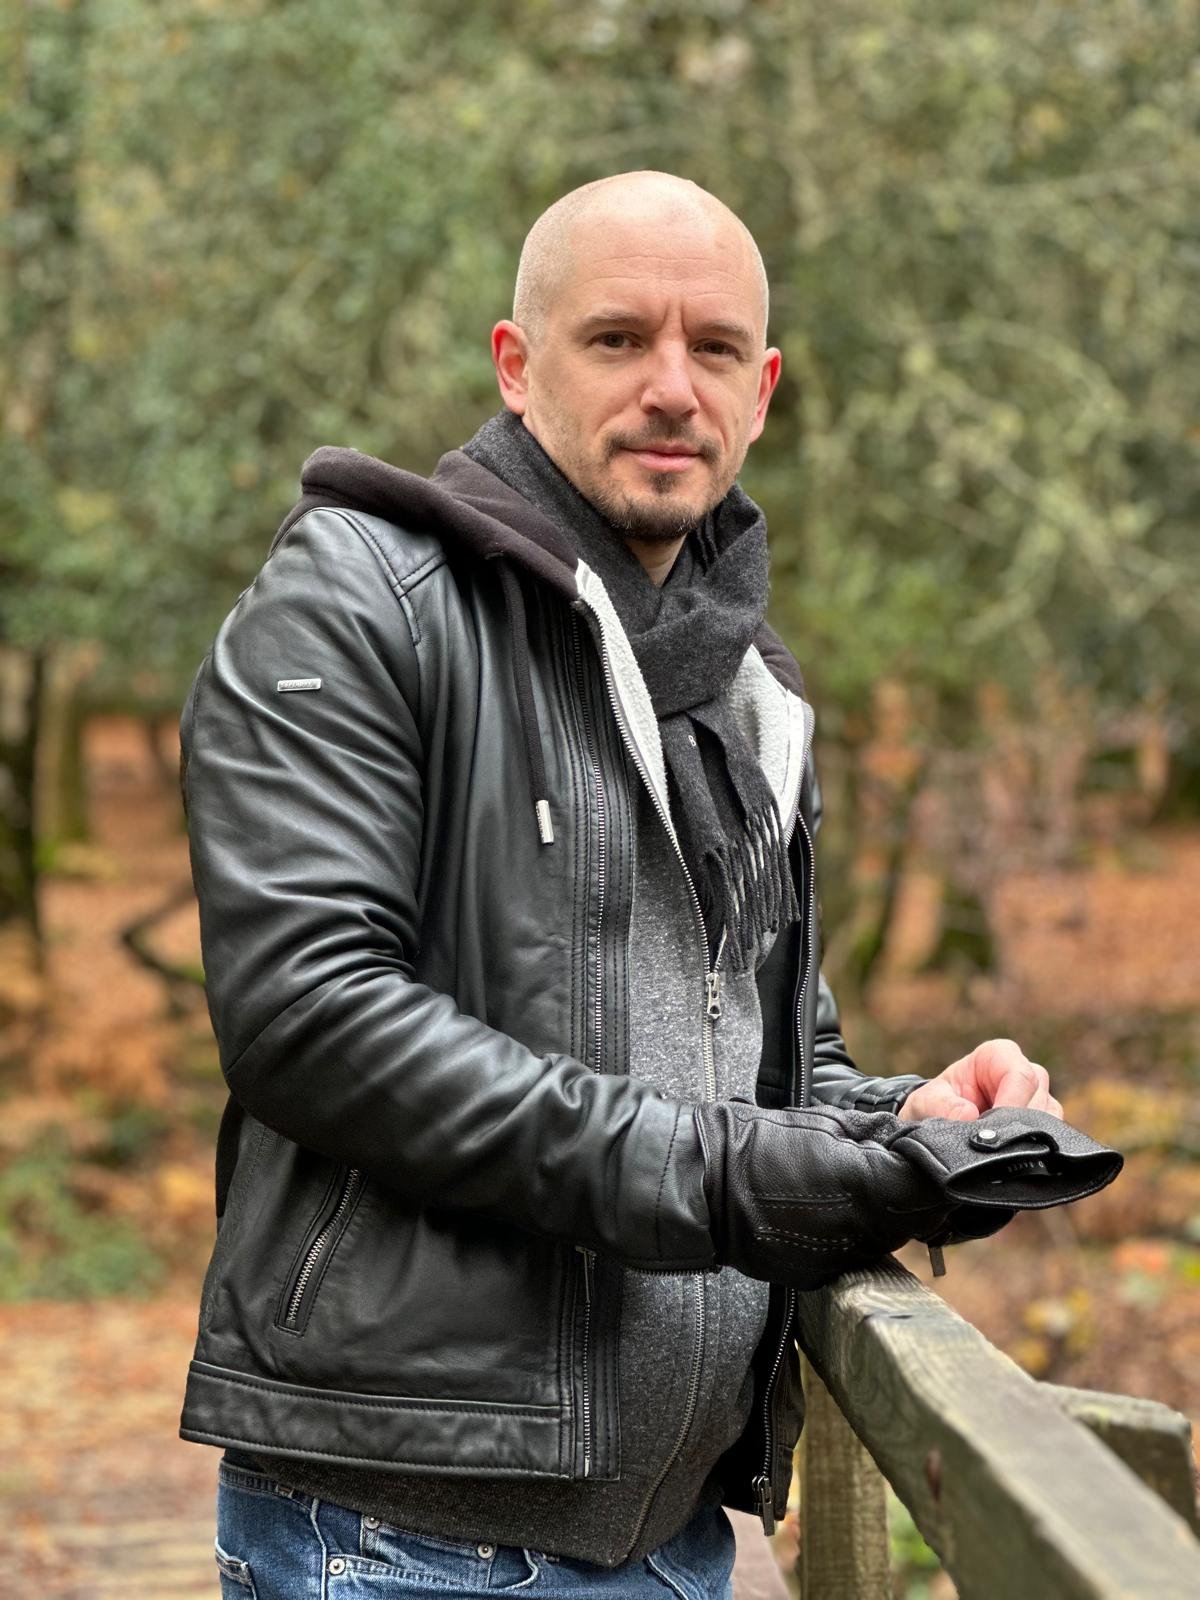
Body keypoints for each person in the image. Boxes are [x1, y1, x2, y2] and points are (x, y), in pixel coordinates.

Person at [179, 171, 1063, 1599]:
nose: (672, 386)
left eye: (713, 348)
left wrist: (903, 1122)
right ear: (517, 367)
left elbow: (772, 1064)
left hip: (671, 1547)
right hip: (398, 1546)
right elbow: (313, 1022)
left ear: (762, 390)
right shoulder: (360, 600)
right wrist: (741, 1179)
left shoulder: (749, 693)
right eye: (616, 340)